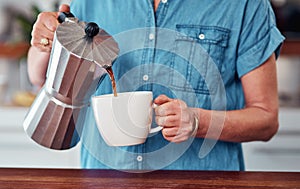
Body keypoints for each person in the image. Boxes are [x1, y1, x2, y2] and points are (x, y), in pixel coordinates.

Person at [28, 0, 285, 171]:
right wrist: (42, 42)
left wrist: (197, 122)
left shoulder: (245, 5)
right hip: (104, 188)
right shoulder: (91, 0)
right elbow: (39, 77)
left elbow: (265, 119)